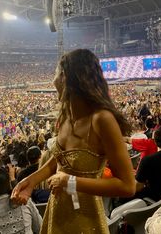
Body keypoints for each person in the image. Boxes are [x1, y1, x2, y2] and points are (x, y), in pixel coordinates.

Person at [12, 49, 135, 234]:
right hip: (57, 213)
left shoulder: (102, 119)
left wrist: (71, 182)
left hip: (86, 220)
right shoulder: (64, 117)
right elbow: (59, 161)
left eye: (55, 74)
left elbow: (128, 186)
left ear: (65, 77)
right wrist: (31, 180)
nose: (52, 81)